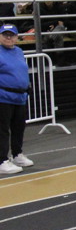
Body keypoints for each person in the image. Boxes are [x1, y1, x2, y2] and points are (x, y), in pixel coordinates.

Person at [0, 24, 32, 175]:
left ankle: (17, 154)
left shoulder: (18, 51)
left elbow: (21, 70)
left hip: (20, 97)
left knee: (19, 128)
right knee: (2, 130)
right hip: (3, 97)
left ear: (16, 37)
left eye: (11, 35)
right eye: (5, 35)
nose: (8, 37)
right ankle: (1, 160)